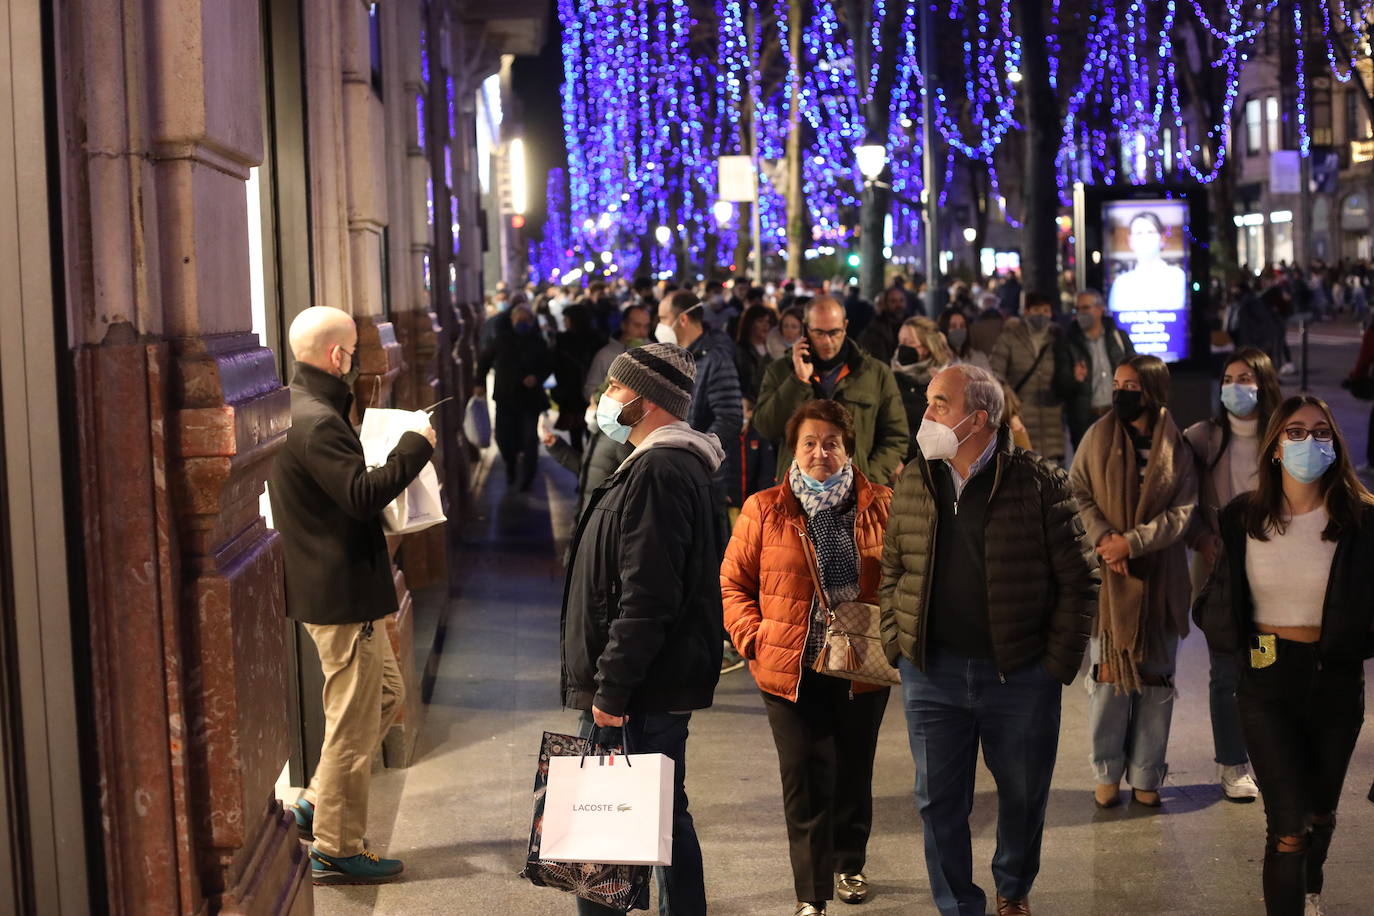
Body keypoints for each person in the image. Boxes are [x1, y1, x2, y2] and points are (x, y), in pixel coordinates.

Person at [879, 363, 1098, 916]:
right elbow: (893, 569)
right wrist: (897, 646)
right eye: (928, 401)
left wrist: (1054, 666)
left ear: (978, 418)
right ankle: (957, 905)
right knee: (937, 802)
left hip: (1020, 676)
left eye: (938, 404)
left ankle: (1013, 887)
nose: (925, 413)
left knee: (1023, 795)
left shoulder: (1039, 482)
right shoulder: (915, 478)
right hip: (932, 674)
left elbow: (1079, 579)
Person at [269, 306, 437, 885]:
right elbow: (362, 495)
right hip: (340, 595)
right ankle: (338, 844)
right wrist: (415, 447)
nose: (361, 364)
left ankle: (319, 800)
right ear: (338, 356)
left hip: (344, 590)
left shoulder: (301, 406)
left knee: (384, 694)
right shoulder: (315, 419)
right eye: (356, 354)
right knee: (352, 720)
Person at [561, 342, 726, 916]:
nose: (605, 400)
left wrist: (611, 691)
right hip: (644, 683)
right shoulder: (660, 462)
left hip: (638, 689)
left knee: (615, 826)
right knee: (659, 816)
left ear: (647, 402)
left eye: (614, 389)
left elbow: (648, 596)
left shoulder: (660, 468)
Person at [1195, 395, 1374, 916]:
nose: (1308, 442)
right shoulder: (1243, 517)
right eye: (1294, 432)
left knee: (1320, 814)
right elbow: (1219, 595)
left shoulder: (1361, 521)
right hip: (1267, 678)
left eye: (1321, 432)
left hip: (1336, 681)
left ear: (1336, 445)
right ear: (1274, 447)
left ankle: (1309, 889)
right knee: (1287, 827)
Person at [721, 400, 893, 916]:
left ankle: (850, 859)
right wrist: (755, 637)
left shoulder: (882, 503)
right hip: (789, 666)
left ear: (848, 447)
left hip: (861, 665)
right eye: (810, 443)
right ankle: (811, 894)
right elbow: (733, 584)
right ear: (793, 450)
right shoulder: (764, 508)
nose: (821, 453)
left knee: (853, 768)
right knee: (803, 775)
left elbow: (908, 581)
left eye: (832, 443)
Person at [1069, 355, 1196, 809]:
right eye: (1118, 384)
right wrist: (1106, 540)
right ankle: (1106, 771)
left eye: (1131, 386)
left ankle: (1146, 772)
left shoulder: (1175, 443)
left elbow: (1183, 511)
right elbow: (1077, 491)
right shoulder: (1098, 435)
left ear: (1154, 391)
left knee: (1156, 680)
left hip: (1160, 578)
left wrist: (1133, 543)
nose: (1120, 393)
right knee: (1108, 677)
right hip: (1109, 578)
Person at [1183, 347, 1283, 803]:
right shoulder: (1203, 438)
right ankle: (1232, 762)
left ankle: (1267, 756)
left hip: (1275, 574)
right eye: (1228, 378)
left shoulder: (1282, 436)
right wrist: (1203, 538)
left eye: (1245, 377)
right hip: (1222, 574)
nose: (1235, 386)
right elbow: (1181, 499)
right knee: (1226, 670)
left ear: (1263, 382)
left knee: (1265, 664)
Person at [754, 297, 909, 485]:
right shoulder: (781, 370)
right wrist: (798, 381)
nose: (827, 341)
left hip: (855, 494)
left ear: (845, 326)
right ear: (806, 328)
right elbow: (765, 426)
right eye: (819, 332)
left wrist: (867, 479)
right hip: (797, 493)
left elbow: (895, 436)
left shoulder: (875, 373)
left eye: (835, 332)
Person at [477, 302, 554, 491]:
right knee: (503, 437)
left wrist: (536, 377)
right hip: (506, 397)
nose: (522, 323)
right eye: (518, 319)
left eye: (526, 320)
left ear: (531, 321)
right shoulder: (501, 340)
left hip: (529, 400)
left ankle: (528, 476)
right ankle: (510, 465)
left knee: (529, 439)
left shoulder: (538, 341)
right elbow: (484, 360)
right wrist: (479, 383)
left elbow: (548, 364)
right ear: (512, 320)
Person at [1055, 289, 1137, 448]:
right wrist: (1075, 380)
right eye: (1077, 309)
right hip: (1086, 421)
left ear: (1100, 309)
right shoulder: (1068, 343)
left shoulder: (1118, 337)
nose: (1080, 313)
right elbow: (1061, 387)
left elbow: (1136, 373)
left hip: (1118, 416)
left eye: (1085, 308)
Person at [989, 293, 1065, 464]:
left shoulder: (1058, 338)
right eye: (1036, 310)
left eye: (1046, 310)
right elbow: (995, 374)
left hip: (1053, 422)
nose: (1041, 315)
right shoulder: (1010, 337)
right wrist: (1011, 405)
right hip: (1022, 420)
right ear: (1027, 311)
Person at [892, 318, 955, 462]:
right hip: (901, 463)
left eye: (908, 343)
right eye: (900, 342)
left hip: (936, 462)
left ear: (926, 348)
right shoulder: (892, 379)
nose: (902, 348)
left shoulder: (947, 380)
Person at [1107, 211, 1187, 314]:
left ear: (1162, 238)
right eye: (1139, 233)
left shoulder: (1178, 277)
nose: (1144, 238)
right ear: (1130, 241)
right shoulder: (1120, 284)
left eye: (1150, 232)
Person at [584, 303, 652, 402]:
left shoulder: (655, 352)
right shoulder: (605, 355)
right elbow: (589, 391)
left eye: (646, 327)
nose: (642, 332)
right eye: (637, 325)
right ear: (624, 325)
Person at [736, 303, 778, 402]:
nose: (765, 325)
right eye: (760, 321)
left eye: (768, 321)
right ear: (750, 323)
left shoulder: (773, 348)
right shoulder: (740, 351)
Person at [858, 286, 908, 365]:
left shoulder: (911, 326)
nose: (898, 305)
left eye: (901, 300)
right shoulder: (873, 330)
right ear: (885, 304)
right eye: (893, 301)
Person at [938, 306, 991, 372]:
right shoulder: (937, 360)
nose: (958, 330)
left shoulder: (979, 358)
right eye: (953, 327)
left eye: (962, 326)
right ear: (944, 330)